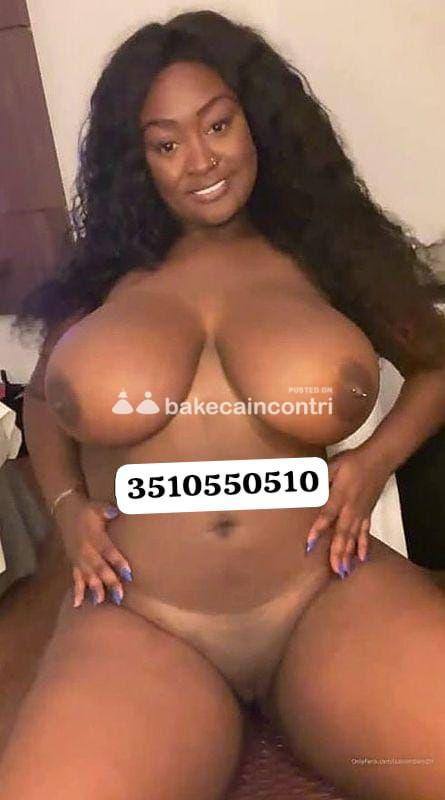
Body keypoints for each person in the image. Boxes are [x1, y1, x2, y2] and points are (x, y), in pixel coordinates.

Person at [2, 9, 445, 799]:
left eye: (217, 126)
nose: (199, 161)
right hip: (142, 618)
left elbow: (435, 366)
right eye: (165, 143)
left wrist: (371, 462)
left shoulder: (326, 254)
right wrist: (67, 508)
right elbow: (41, 400)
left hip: (326, 597)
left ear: (257, 124)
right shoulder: (103, 278)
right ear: (136, 158)